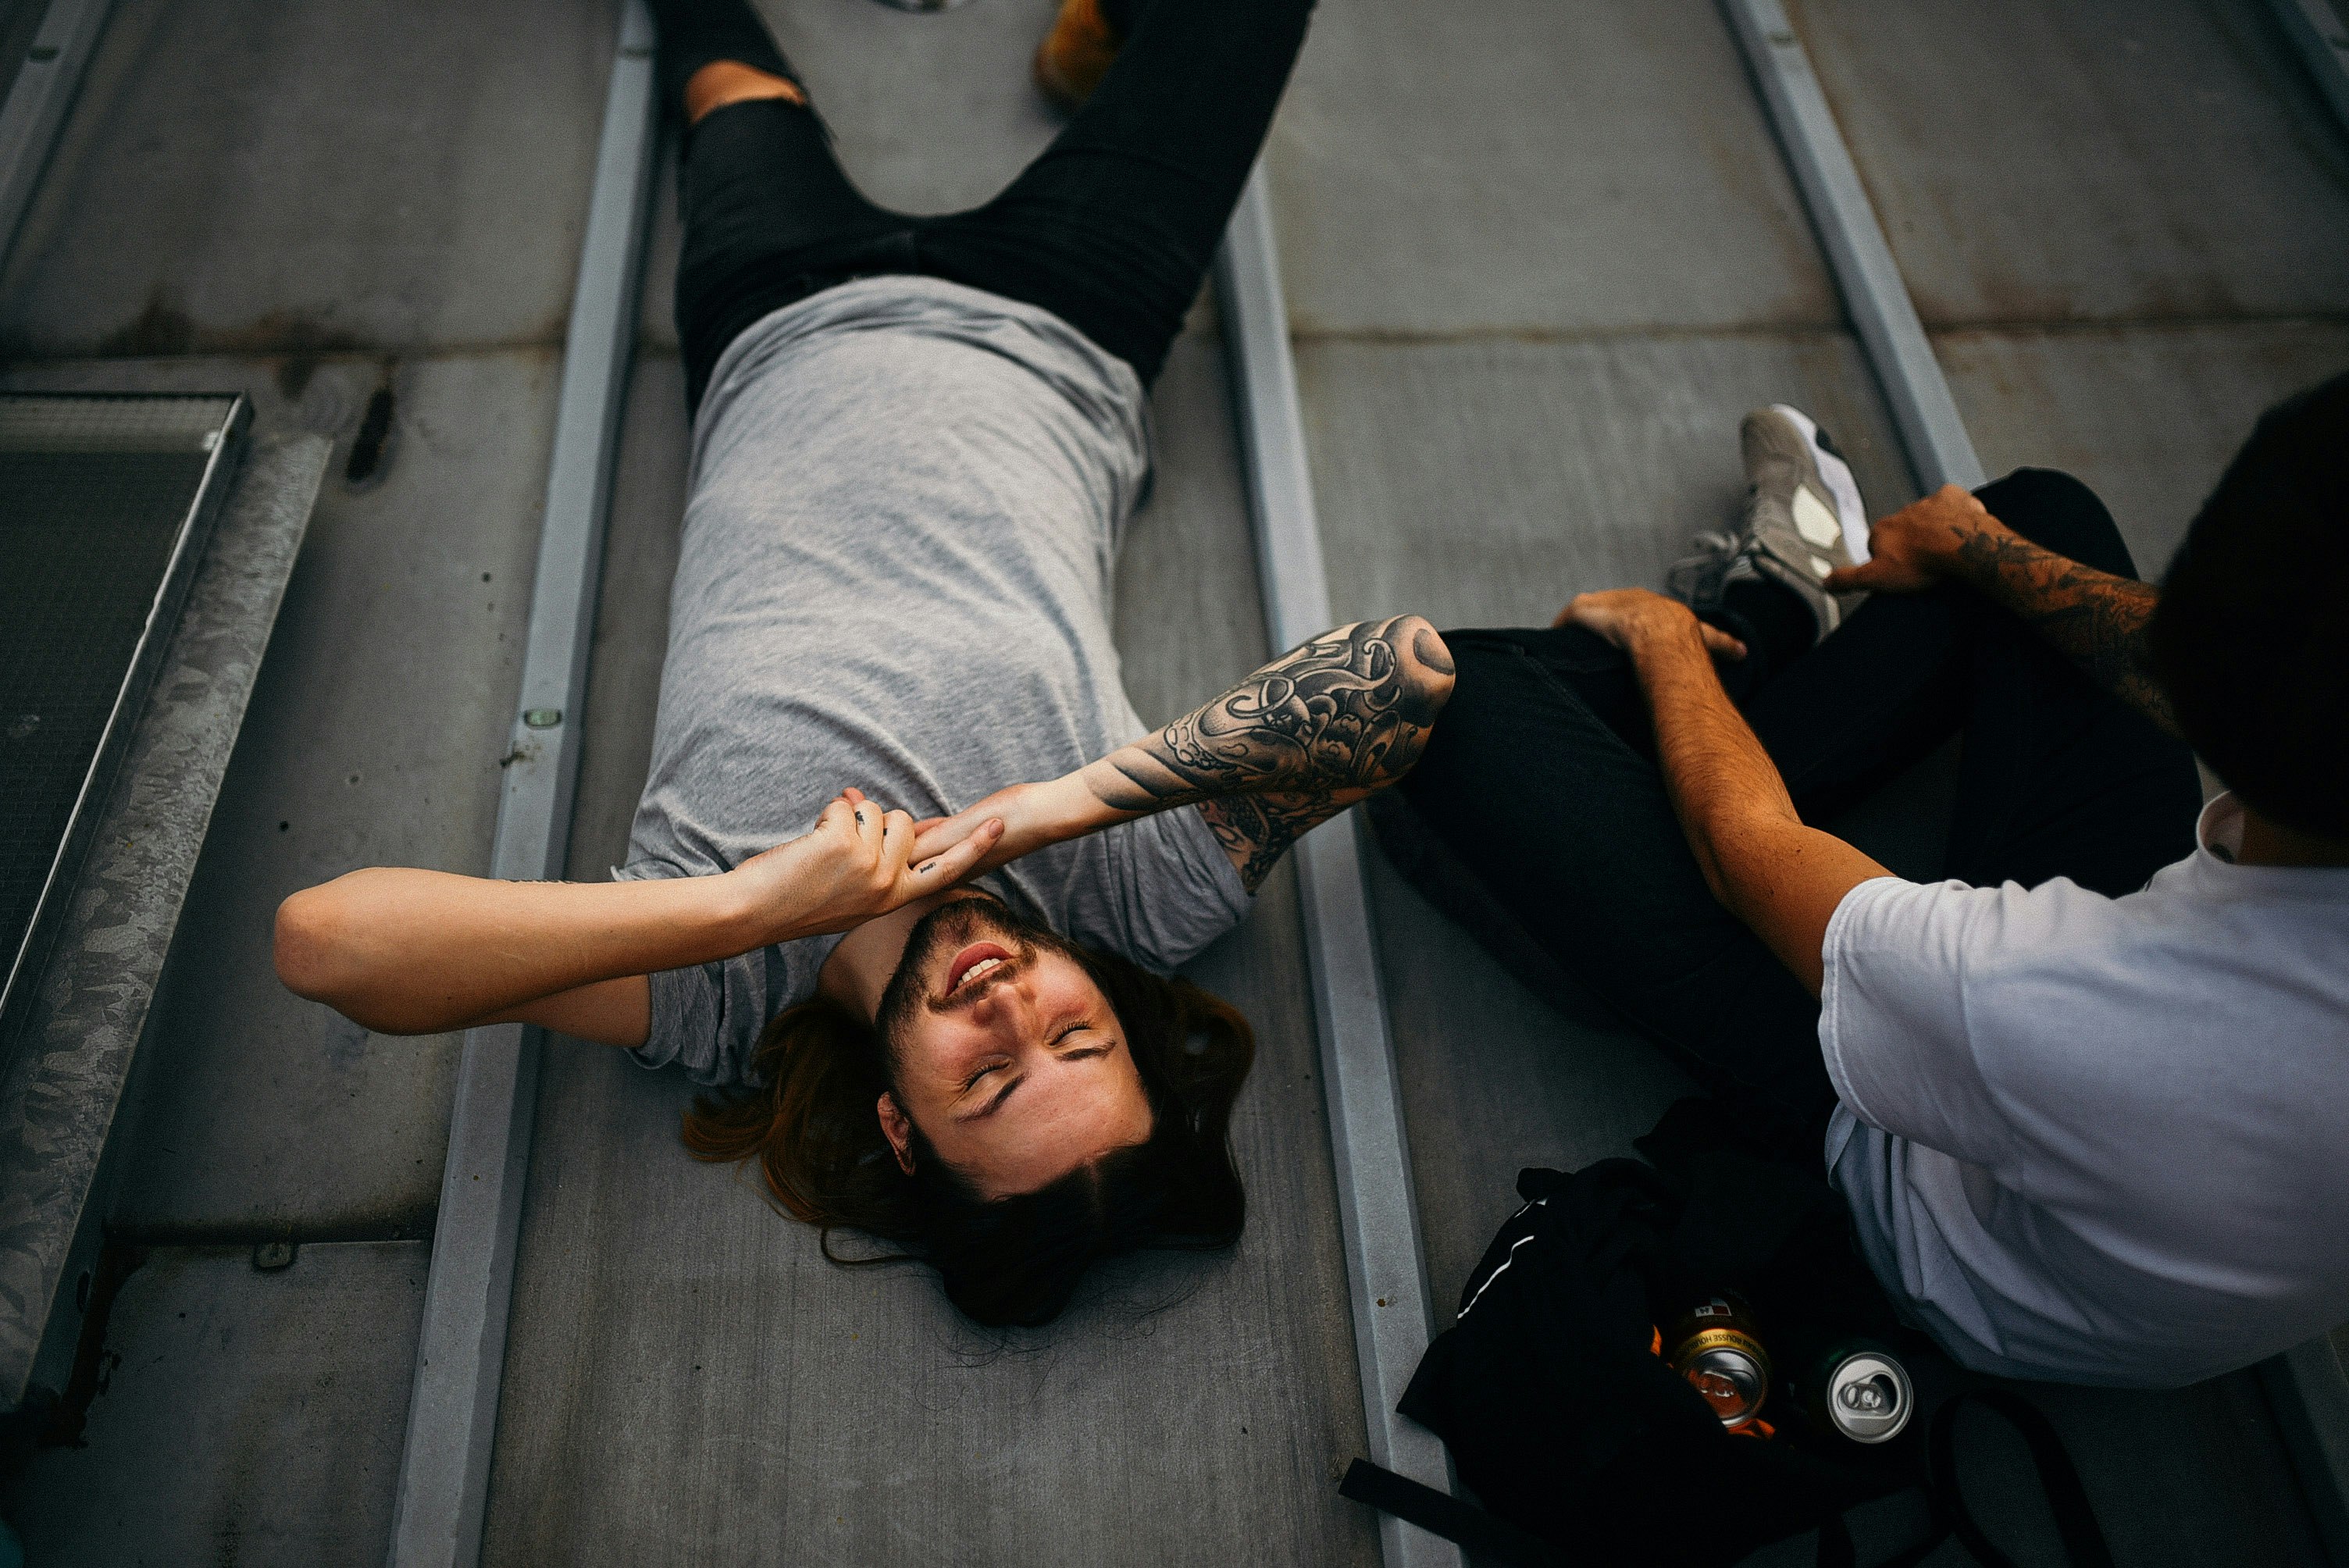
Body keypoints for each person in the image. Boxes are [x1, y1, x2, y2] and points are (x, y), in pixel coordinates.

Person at [273, 0, 1458, 1327]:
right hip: (1068, 317)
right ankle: (1102, 40)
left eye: (989, 1080)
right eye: (1078, 1035)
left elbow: (327, 942)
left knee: (716, 59)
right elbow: (1403, 674)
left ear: (902, 1131)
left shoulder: (717, 997)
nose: (1012, 1007)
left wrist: (756, 905)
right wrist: (1046, 808)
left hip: (777, 305)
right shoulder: (1126, 895)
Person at [1379, 378, 2349, 1388]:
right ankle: (1740, 659)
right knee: (2029, 524)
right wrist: (1973, 545)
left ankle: (1755, 620)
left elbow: (1740, 848)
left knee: (1453, 692)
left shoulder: (2084, 1001)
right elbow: (2186, 661)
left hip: (1913, 1188)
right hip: (2118, 1113)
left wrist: (1663, 634)